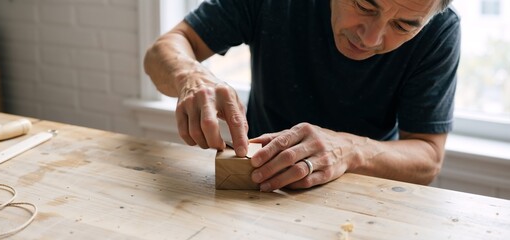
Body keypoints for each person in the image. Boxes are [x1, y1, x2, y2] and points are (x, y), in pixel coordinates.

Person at [144, 0, 460, 192]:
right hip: (259, 191)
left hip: (366, 201)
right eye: (364, 5)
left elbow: (428, 157)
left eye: (403, 26)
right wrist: (191, 77)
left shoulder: (441, 29)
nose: (371, 37)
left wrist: (349, 150)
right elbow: (164, 50)